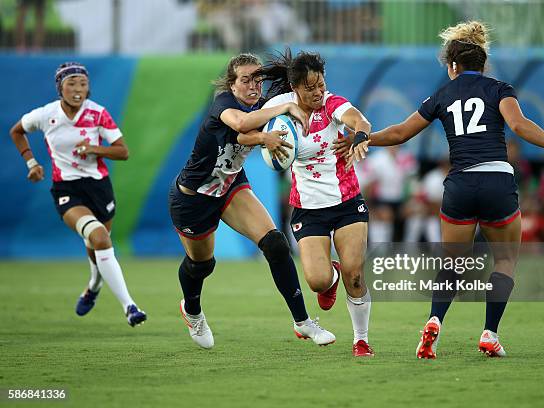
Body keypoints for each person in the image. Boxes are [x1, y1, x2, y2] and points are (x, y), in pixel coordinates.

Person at [349, 21, 544, 358]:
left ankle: (434, 320)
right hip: (496, 182)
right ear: (484, 64)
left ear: (452, 67)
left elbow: (401, 133)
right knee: (504, 260)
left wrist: (364, 137)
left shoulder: (441, 95)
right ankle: (490, 333)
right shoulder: (498, 88)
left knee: (451, 265)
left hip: (460, 185)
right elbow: (519, 125)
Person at [168, 53, 335, 349]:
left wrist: (267, 135)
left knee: (276, 244)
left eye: (257, 78)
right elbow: (242, 124)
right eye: (245, 79)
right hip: (194, 198)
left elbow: (244, 136)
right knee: (202, 265)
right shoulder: (223, 103)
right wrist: (282, 110)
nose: (253, 85)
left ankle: (303, 322)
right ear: (232, 85)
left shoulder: (262, 106)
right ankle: (192, 310)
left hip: (231, 187)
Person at [9, 62, 147, 326]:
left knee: (97, 247)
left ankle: (93, 286)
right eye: (71, 83)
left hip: (98, 187)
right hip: (67, 190)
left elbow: (123, 151)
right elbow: (16, 131)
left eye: (83, 84)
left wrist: (95, 149)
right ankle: (130, 307)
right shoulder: (46, 114)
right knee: (100, 238)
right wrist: (31, 163)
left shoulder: (98, 114)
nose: (77, 89)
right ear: (60, 87)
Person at [259, 50, 374, 357]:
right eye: (310, 87)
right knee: (317, 281)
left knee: (356, 274)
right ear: (294, 87)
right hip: (307, 208)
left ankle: (360, 339)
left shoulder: (331, 103)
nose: (318, 91)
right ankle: (331, 277)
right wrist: (263, 139)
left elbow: (359, 119)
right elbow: (245, 125)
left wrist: (359, 135)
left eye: (321, 84)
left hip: (347, 201)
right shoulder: (277, 109)